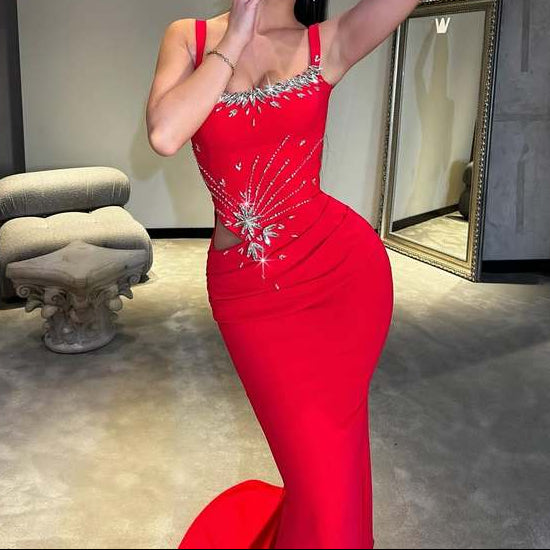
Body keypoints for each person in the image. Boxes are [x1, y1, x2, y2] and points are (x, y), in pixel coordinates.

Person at [146, 0, 419, 547]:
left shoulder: (327, 42)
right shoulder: (189, 38)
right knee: (318, 474)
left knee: (330, 473)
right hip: (250, 299)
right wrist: (236, 36)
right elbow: (166, 134)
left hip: (345, 279)